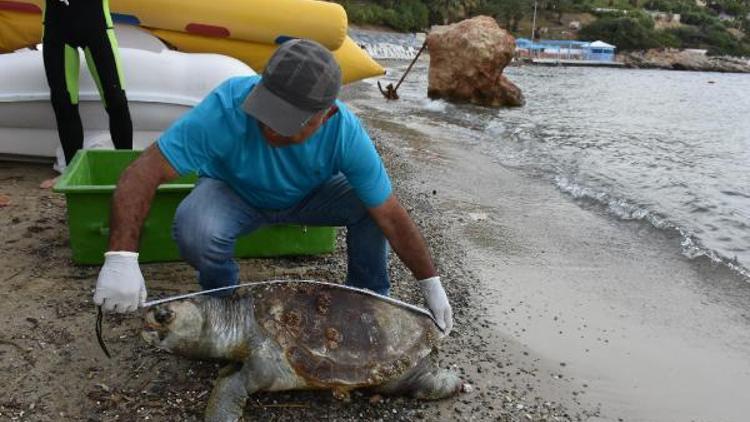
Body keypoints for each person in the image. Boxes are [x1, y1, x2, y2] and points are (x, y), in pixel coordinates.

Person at [92, 39, 454, 334]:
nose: (271, 129)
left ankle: (366, 299)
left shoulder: (345, 132)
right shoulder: (228, 104)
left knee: (370, 207)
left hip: (311, 197)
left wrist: (430, 285)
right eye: (266, 112)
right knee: (194, 228)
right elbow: (143, 171)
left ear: (326, 115)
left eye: (287, 122)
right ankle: (223, 302)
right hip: (234, 192)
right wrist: (121, 257)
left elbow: (390, 214)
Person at [42, 0, 132, 185]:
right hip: (57, 25)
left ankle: (129, 171)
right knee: (63, 101)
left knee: (115, 99)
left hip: (95, 23)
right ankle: (72, 173)